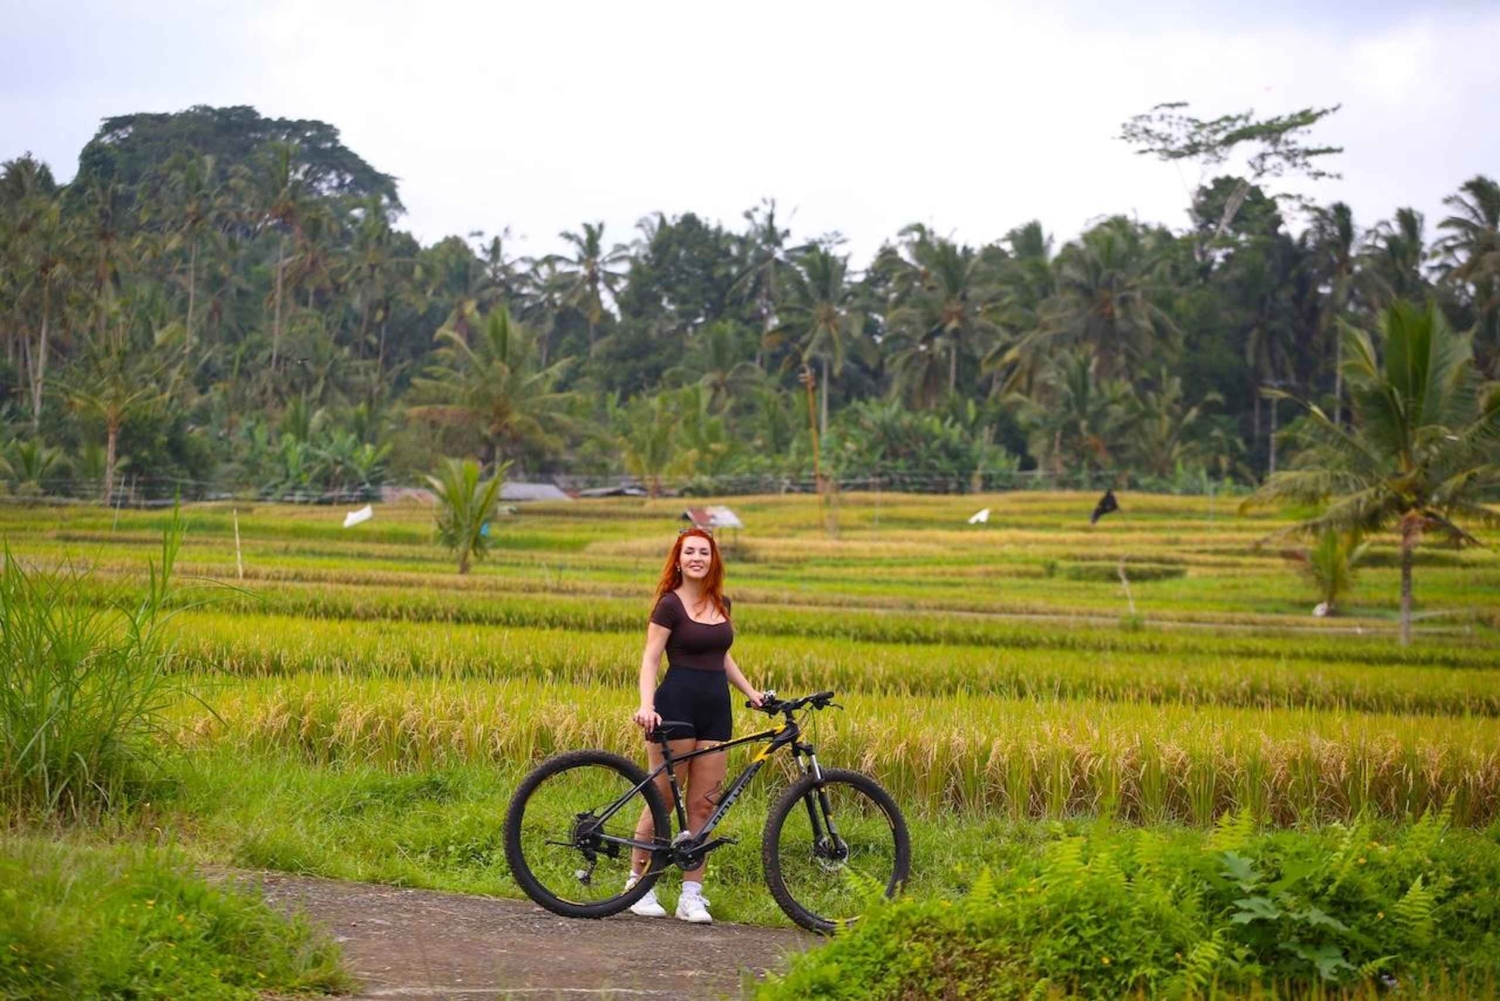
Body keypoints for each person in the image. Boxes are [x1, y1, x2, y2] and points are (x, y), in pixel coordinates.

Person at [627, 527, 763, 923]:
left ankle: (691, 895)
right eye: (690, 552)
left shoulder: (722, 603)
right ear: (679, 559)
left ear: (713, 559)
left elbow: (721, 657)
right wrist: (646, 705)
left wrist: (752, 693)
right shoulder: (669, 605)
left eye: (704, 552)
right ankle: (638, 886)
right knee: (663, 798)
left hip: (715, 710)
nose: (697, 558)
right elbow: (651, 658)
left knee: (705, 803)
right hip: (676, 706)